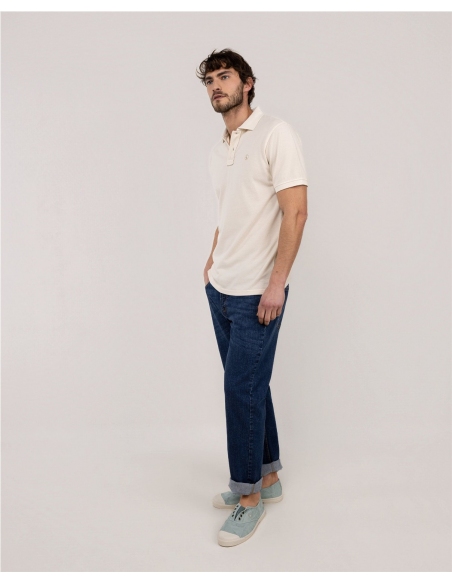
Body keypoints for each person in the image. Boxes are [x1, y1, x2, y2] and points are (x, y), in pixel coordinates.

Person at [196, 48, 309, 547]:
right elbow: (229, 213)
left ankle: (248, 498)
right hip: (221, 288)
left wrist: (277, 283)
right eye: (209, 80)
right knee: (250, 387)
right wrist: (211, 260)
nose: (216, 86)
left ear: (247, 82)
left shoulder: (275, 133)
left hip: (257, 294)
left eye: (225, 76)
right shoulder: (219, 147)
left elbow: (296, 211)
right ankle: (268, 475)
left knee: (239, 390)